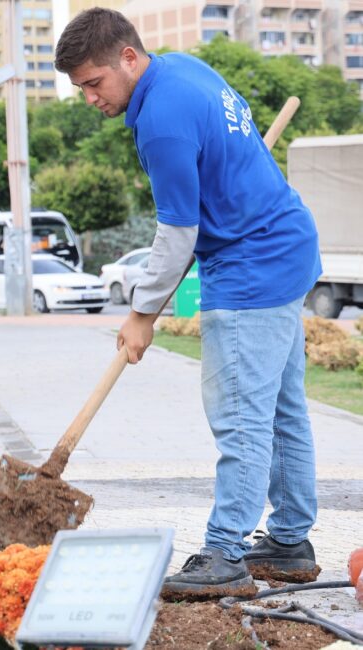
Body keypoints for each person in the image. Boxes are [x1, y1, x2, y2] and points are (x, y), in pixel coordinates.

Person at [55, 9, 322, 598]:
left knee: (242, 418)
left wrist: (140, 316)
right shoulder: (182, 69)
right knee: (281, 410)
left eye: (94, 83)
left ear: (128, 57)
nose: (90, 98)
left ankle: (225, 552)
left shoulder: (161, 122)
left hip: (252, 268)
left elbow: (178, 232)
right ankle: (289, 541)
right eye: (80, 89)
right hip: (286, 246)